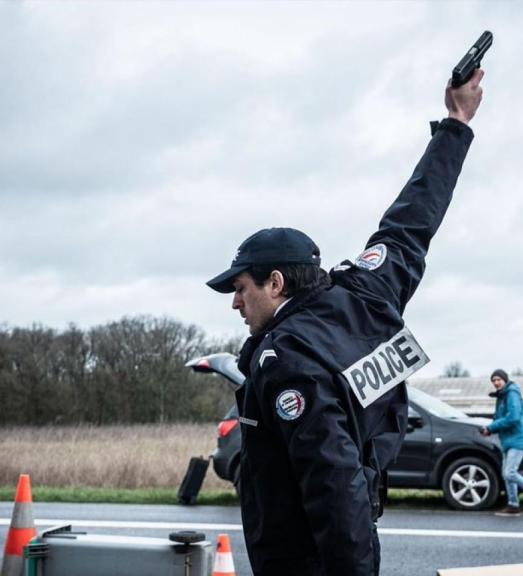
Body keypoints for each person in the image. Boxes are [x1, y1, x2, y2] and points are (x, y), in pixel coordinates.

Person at [204, 69, 484, 575]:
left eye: (240, 289)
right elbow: (411, 223)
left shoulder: (285, 359)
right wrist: (456, 123)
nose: (235, 304)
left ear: (275, 283)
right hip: (350, 540)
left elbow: (335, 486)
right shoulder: (366, 292)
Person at [479, 368, 523, 516]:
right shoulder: (502, 396)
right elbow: (500, 419)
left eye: (498, 380)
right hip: (507, 440)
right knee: (506, 474)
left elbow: (513, 418)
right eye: (493, 380)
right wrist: (490, 430)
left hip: (517, 439)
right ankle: (513, 505)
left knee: (510, 473)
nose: (496, 383)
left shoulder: (512, 393)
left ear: (505, 380)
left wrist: (491, 427)